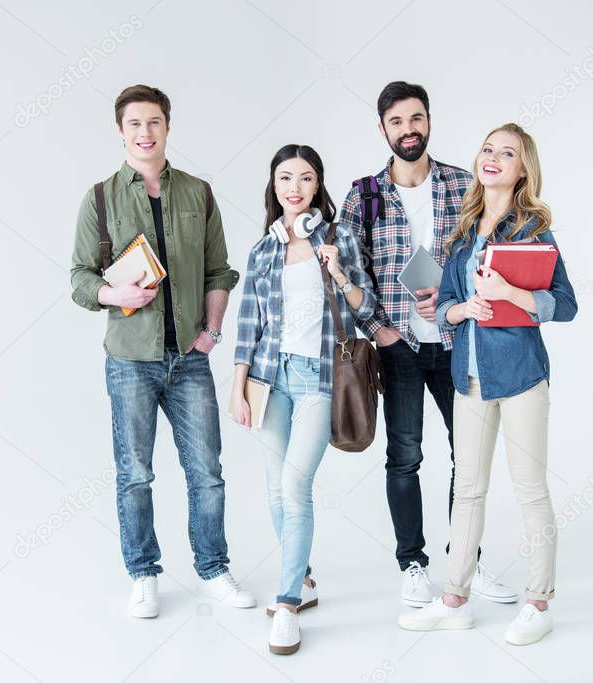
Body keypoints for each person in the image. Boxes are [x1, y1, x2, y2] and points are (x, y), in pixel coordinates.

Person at [70, 84, 255, 619]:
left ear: (167, 127)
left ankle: (214, 570)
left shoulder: (198, 192)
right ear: (121, 131)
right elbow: (79, 280)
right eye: (134, 124)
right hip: (129, 358)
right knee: (134, 473)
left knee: (207, 472)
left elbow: (220, 270)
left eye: (154, 122)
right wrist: (115, 294)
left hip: (190, 358)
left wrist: (212, 330)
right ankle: (144, 573)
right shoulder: (100, 198)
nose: (145, 133)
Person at [397, 122, 577, 646]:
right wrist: (461, 308)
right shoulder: (462, 229)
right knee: (468, 491)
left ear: (523, 169)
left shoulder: (533, 231)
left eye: (507, 153)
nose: (492, 157)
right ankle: (455, 599)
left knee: (529, 492)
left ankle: (539, 602)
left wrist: (510, 293)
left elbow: (565, 305)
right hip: (469, 379)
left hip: (520, 378)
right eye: (487, 148)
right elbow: (448, 310)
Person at [338, 81, 515, 606]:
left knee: (470, 456)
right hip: (400, 348)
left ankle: (466, 562)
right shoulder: (363, 195)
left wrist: (450, 293)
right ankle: (412, 564)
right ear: (383, 130)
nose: (408, 129)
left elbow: (488, 257)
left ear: (429, 122)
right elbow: (348, 272)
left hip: (460, 342)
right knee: (404, 457)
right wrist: (380, 331)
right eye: (397, 122)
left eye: (416, 119)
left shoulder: (465, 185)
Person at [232, 144, 375, 655]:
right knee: (275, 490)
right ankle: (304, 571)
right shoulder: (262, 250)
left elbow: (366, 306)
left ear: (317, 187)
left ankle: (288, 601)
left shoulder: (340, 238)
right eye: (285, 178)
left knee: (295, 486)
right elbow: (248, 323)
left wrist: (337, 272)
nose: (294, 187)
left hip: (319, 378)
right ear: (274, 186)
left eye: (306, 178)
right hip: (270, 379)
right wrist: (238, 389)